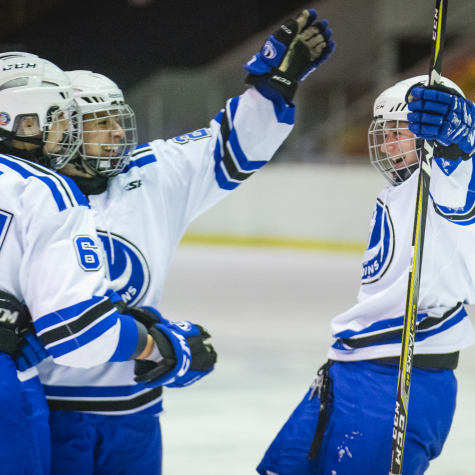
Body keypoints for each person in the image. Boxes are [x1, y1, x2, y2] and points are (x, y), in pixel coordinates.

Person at [35, 7, 335, 475]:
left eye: (118, 118)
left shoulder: (151, 174)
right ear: (64, 129)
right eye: (100, 122)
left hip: (135, 411)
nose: (117, 132)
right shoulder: (28, 194)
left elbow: (231, 144)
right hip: (47, 409)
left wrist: (275, 84)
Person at [0, 52, 215, 475]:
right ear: (23, 120)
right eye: (60, 120)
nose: (67, 134)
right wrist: (161, 346)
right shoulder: (47, 191)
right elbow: (80, 334)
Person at [257, 75, 475, 475]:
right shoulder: (398, 192)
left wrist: (463, 134)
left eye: (400, 132)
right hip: (348, 370)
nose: (389, 145)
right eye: (385, 132)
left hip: (400, 381)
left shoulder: (448, 184)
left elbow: (463, 157)